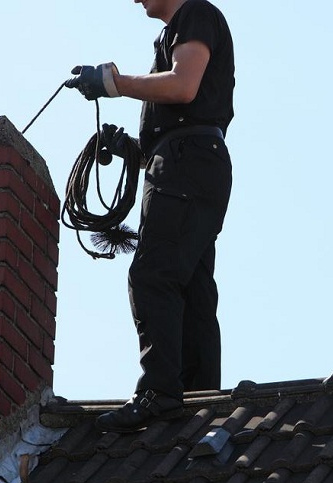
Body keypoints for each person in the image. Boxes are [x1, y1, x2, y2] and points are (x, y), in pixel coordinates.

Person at [65, 0, 235, 432]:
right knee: (191, 284)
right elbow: (183, 111)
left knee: (153, 274)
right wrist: (134, 152)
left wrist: (112, 83)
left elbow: (183, 87)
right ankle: (197, 399)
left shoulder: (195, 13)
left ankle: (160, 392)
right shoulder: (177, 30)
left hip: (187, 163)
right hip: (190, 161)